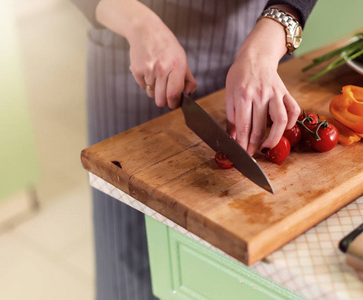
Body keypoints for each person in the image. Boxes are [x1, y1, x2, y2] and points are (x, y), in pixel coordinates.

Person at [72, 0, 317, 299]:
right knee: (134, 263)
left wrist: (273, 32)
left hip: (259, 48)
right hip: (135, 57)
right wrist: (138, 24)